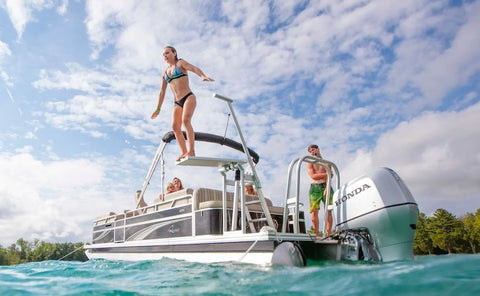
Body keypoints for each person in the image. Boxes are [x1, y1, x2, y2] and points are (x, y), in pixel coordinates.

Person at [151, 46, 214, 161]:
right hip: (177, 102)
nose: (165, 56)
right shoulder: (165, 73)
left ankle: (191, 151)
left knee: (186, 121)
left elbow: (193, 68)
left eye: (167, 53)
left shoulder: (180, 63)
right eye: (163, 54)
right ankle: (184, 152)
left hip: (188, 97)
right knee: (175, 127)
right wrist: (158, 108)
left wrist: (202, 76)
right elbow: (162, 91)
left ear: (174, 53)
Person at [306, 144, 333, 236]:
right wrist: (327, 174)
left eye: (313, 150)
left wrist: (327, 188)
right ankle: (316, 234)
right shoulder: (310, 162)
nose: (312, 152)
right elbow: (313, 176)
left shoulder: (327, 163)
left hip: (325, 185)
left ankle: (328, 234)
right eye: (310, 151)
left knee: (329, 210)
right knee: (314, 212)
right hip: (315, 187)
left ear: (317, 149)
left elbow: (330, 178)